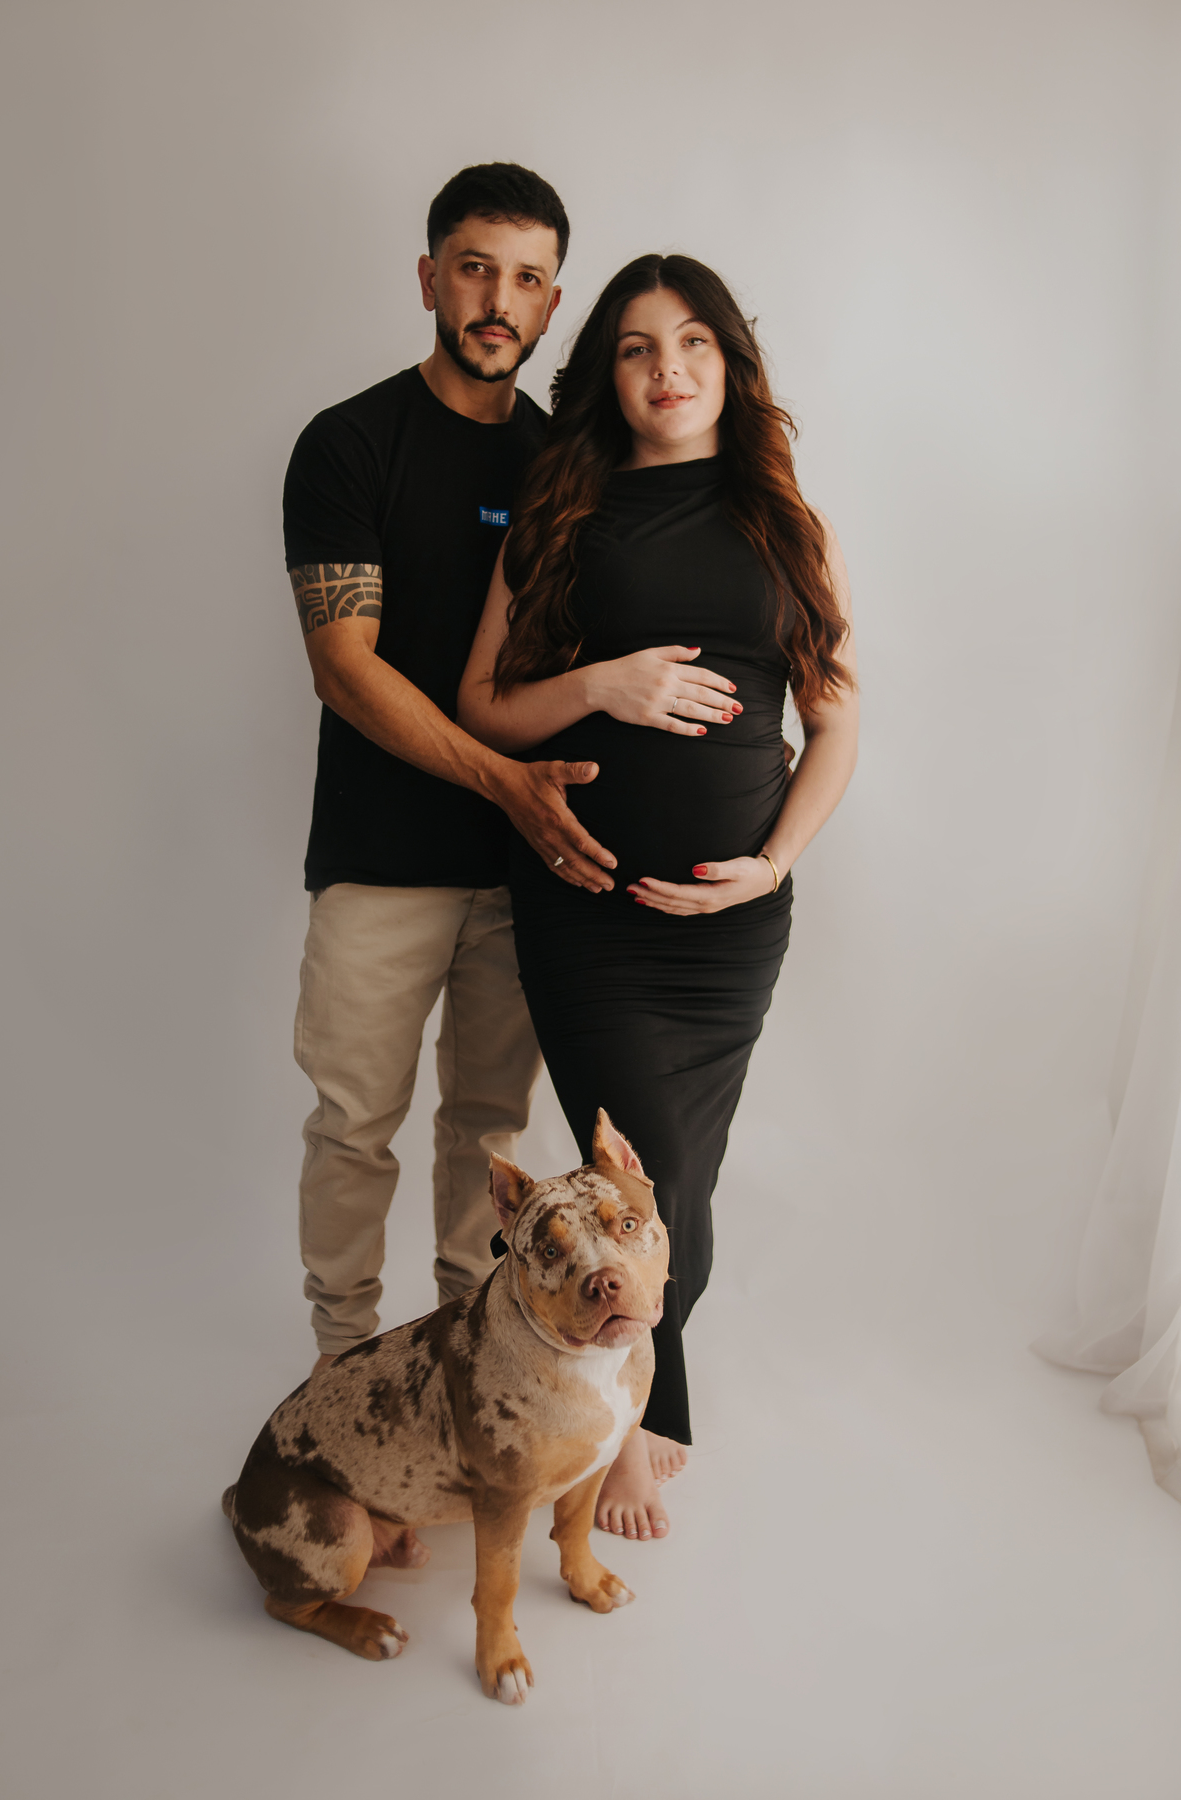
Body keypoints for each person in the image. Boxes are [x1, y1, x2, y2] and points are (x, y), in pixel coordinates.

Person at [458, 254, 859, 1539]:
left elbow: (837, 723)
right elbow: (483, 706)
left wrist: (774, 862)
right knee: (646, 1167)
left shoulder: (785, 524)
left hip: (731, 931)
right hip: (589, 909)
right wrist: (602, 684)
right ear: (608, 375)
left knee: (684, 1183)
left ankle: (627, 1385)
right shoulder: (560, 517)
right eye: (636, 347)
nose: (667, 369)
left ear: (731, 365)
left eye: (693, 343)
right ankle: (636, 1419)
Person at [282, 162, 618, 1372]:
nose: (498, 300)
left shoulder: (569, 467)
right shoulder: (349, 444)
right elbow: (345, 666)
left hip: (525, 869)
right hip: (381, 859)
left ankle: (475, 1365)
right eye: (476, 269)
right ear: (430, 278)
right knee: (354, 1125)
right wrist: (501, 780)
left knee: (491, 1135)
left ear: (552, 303)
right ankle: (343, 1367)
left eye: (527, 280)